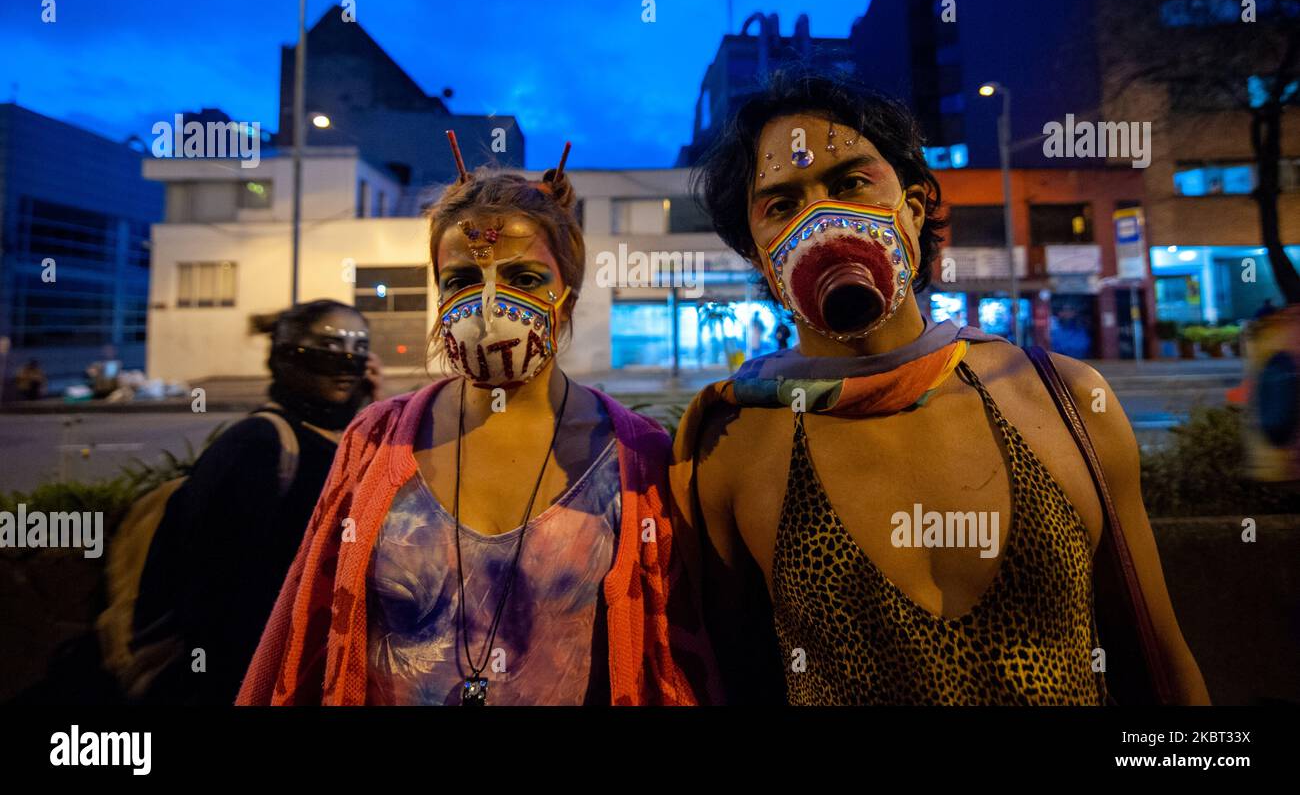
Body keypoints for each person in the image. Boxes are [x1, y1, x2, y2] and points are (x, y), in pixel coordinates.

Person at [672, 72, 1210, 705]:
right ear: (760, 255)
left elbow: (1160, 662)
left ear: (915, 206)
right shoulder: (731, 447)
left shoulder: (1066, 401)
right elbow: (735, 683)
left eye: (850, 182)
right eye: (782, 205)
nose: (822, 220)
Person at [238, 145, 719, 706]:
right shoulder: (375, 440)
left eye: (525, 277)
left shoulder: (636, 455)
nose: (489, 305)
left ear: (567, 295)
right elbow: (308, 629)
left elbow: (668, 654)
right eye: (463, 279)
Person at [130, 299, 381, 704]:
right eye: (328, 353)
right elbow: (219, 593)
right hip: (241, 675)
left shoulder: (346, 440)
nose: (344, 367)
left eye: (356, 354)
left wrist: (370, 410)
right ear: (285, 359)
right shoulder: (256, 446)